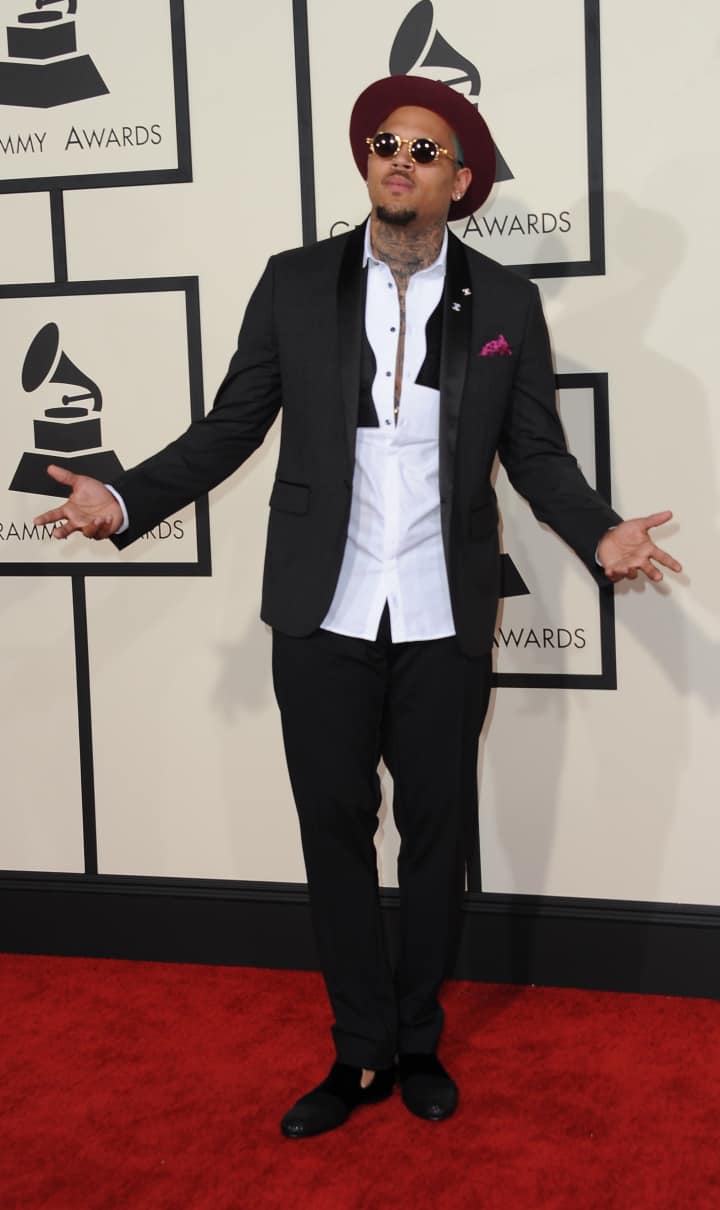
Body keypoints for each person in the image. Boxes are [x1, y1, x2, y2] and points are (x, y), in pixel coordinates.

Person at [34, 75, 681, 1139]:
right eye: (386, 141)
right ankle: (359, 1049)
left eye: (425, 149)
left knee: (435, 834)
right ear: (366, 161)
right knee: (333, 833)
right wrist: (128, 497)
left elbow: (534, 454)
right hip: (321, 612)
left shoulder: (504, 303)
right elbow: (231, 425)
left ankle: (418, 1039)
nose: (400, 159)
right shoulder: (294, 283)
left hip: (443, 610)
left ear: (460, 182)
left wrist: (600, 531)